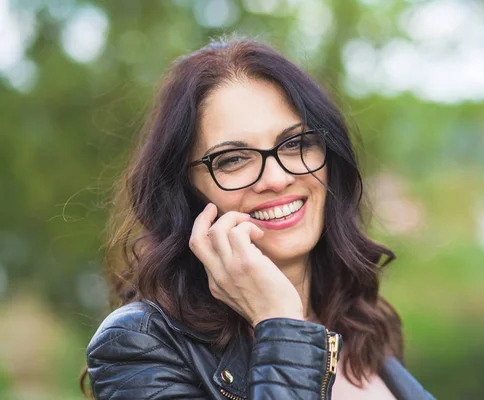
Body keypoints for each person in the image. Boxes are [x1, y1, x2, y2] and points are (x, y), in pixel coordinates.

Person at [83, 36, 435, 400]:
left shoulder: (364, 323)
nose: (277, 179)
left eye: (296, 144)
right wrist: (280, 323)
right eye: (233, 159)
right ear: (185, 190)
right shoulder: (140, 346)